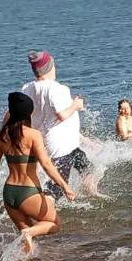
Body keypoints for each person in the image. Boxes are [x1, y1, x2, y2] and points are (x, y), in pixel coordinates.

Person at [0, 91, 76, 255]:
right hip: (28, 192)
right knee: (54, 224)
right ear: (29, 112)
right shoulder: (33, 135)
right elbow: (47, 164)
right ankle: (28, 235)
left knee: (27, 244)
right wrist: (65, 186)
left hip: (9, 194)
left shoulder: (2, 136)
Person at [20, 51, 94, 199]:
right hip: (61, 149)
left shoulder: (26, 89)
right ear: (50, 68)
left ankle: (93, 195)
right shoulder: (57, 88)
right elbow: (62, 115)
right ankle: (40, 212)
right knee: (56, 190)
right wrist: (76, 105)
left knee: (87, 167)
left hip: (59, 145)